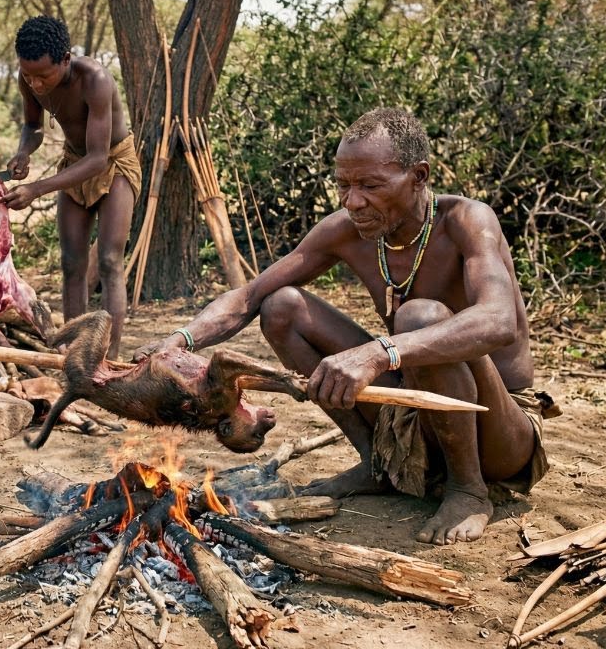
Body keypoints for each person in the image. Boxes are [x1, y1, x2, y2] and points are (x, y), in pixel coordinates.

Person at [134, 108, 558, 545]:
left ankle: (467, 488)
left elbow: (500, 320)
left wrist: (379, 352)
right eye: (344, 185)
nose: (353, 201)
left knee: (420, 317)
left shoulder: (466, 221)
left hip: (499, 431)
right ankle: (378, 463)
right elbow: (250, 296)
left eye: (371, 186)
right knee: (282, 306)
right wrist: (177, 342)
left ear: (419, 176)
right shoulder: (348, 230)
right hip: (413, 415)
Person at [0, 15, 141, 359]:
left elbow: (97, 158)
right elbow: (33, 126)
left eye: (43, 76)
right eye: (28, 75)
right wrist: (23, 151)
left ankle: (109, 356)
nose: (35, 84)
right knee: (71, 262)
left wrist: (36, 189)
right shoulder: (29, 77)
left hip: (114, 163)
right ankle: (76, 353)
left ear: (65, 59)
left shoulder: (95, 79)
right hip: (73, 160)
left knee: (109, 260)